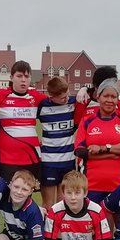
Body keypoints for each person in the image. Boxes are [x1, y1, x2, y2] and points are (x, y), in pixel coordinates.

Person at [73, 78, 120, 204]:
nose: (109, 100)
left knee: (119, 223)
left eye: (113, 96)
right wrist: (116, 153)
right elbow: (80, 152)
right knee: (93, 223)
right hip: (90, 186)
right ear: (98, 97)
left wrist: (103, 148)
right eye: (106, 96)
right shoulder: (87, 121)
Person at [0, 60, 46, 184]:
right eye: (19, 76)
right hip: (8, 159)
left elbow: (60, 99)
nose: (23, 80)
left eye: (27, 76)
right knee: (9, 196)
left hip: (32, 157)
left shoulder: (36, 96)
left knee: (27, 195)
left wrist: (85, 90)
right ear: (11, 77)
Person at [36, 76, 82, 207]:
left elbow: (93, 96)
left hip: (68, 161)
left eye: (67, 95)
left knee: (63, 204)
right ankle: (47, 227)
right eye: (63, 98)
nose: (66, 99)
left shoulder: (73, 103)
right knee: (48, 205)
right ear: (51, 96)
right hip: (48, 162)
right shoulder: (42, 106)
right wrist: (34, 140)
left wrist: (84, 89)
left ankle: (62, 228)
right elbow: (25, 122)